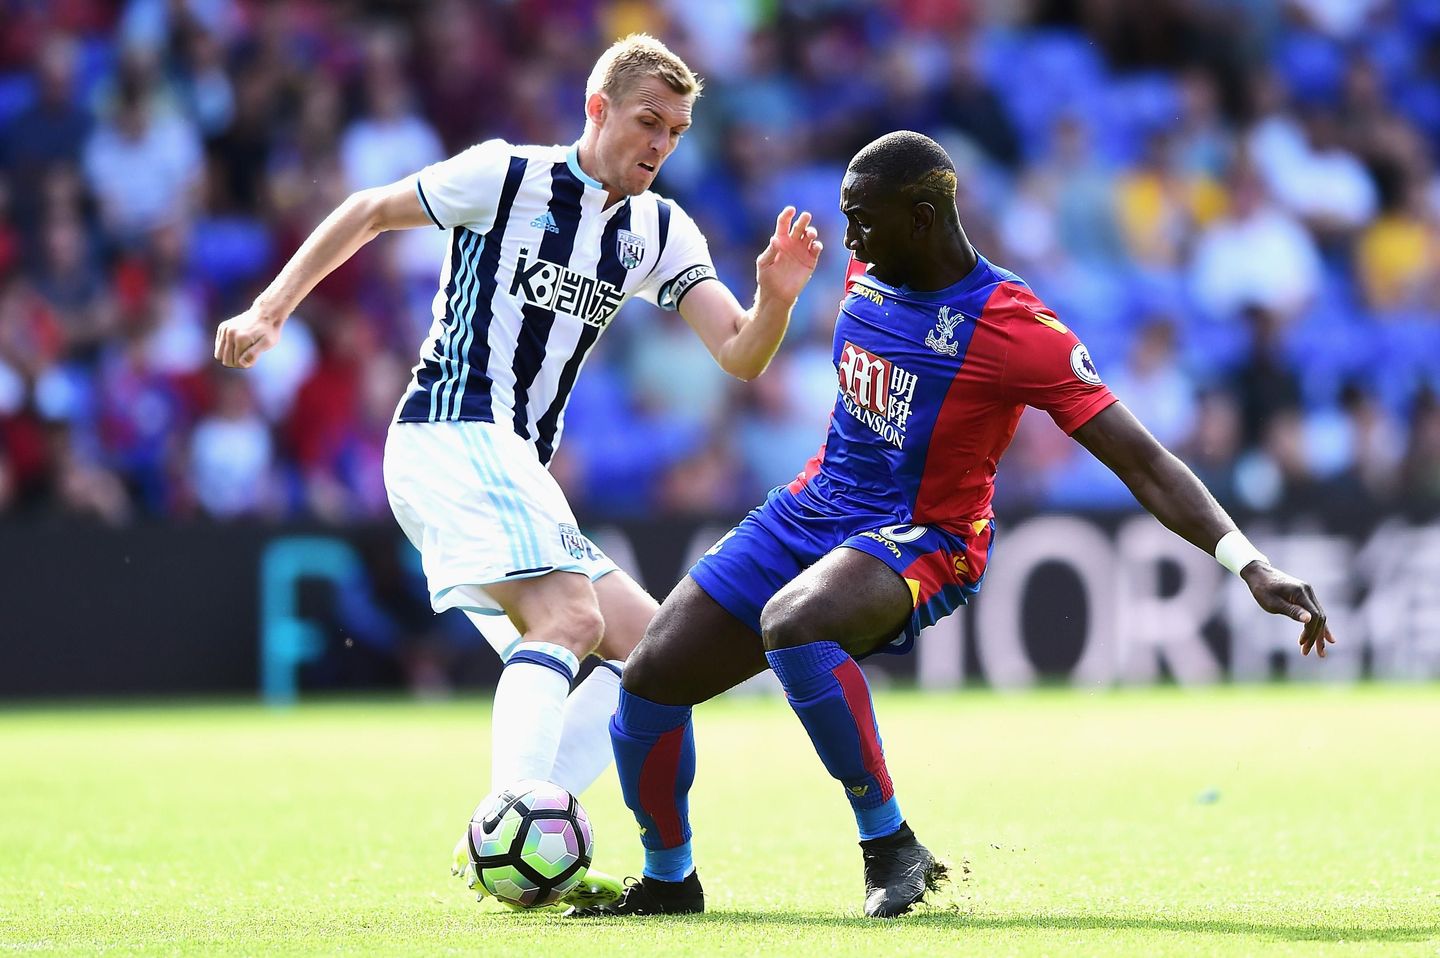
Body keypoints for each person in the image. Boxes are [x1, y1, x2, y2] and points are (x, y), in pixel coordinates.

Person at [575, 131, 1335, 919]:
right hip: (809, 508)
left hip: (927, 535)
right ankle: (670, 880)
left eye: (863, 220)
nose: (851, 239)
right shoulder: (870, 266)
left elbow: (1143, 460)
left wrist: (1247, 562)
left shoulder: (1015, 328)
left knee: (795, 625)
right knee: (649, 678)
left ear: (926, 216)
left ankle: (890, 846)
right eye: (847, 219)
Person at [213, 34, 823, 906]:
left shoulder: (656, 227)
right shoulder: (506, 176)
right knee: (569, 615)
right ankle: (516, 825)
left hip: (509, 461)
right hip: (450, 430)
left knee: (662, 658)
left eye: (678, 132)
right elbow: (370, 208)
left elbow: (739, 353)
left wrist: (777, 298)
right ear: (598, 108)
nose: (660, 144)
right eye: (648, 121)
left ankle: (528, 834)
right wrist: (271, 311)